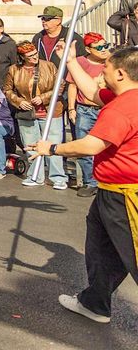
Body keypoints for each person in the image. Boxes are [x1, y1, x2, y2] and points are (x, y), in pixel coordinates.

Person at [29, 46, 138, 324]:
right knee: (100, 248)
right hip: (109, 193)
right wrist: (70, 62)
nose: (102, 73)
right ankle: (95, 303)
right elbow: (91, 92)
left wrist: (52, 148)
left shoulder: (122, 108)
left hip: (127, 196)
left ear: (121, 74)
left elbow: (91, 145)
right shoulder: (122, 98)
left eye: (106, 69)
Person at [5, 41, 68, 190]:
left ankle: (58, 177)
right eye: (30, 56)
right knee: (31, 146)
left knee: (53, 146)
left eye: (35, 54)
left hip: (51, 112)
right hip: (27, 113)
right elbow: (7, 90)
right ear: (22, 57)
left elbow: (60, 85)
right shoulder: (14, 70)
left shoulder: (49, 66)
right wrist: (19, 101)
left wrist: (44, 97)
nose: (34, 57)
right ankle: (35, 176)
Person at [68, 33, 111, 197]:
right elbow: (73, 86)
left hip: (105, 108)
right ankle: (90, 182)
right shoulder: (80, 62)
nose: (104, 49)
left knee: (105, 147)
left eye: (106, 45)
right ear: (88, 49)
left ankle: (105, 180)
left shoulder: (112, 62)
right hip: (85, 109)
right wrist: (71, 108)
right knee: (83, 147)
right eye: (99, 47)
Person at [32, 5, 85, 70]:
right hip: (44, 77)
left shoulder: (72, 37)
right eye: (42, 18)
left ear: (58, 20)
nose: (44, 21)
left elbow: (83, 60)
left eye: (48, 19)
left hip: (64, 77)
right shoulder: (38, 37)